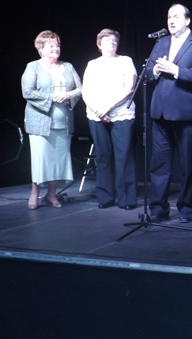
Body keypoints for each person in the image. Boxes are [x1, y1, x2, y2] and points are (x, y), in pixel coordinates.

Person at [146, 4, 192, 223]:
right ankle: (158, 208)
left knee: (187, 164)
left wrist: (176, 70)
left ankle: (186, 207)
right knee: (159, 165)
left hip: (187, 114)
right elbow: (147, 72)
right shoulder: (161, 42)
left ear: (187, 20)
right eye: (169, 17)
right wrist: (155, 70)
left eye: (176, 16)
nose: (171, 20)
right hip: (161, 113)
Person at [21, 30, 82, 210]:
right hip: (40, 122)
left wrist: (68, 95)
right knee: (40, 160)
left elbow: (80, 88)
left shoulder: (68, 66)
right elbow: (27, 92)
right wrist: (52, 97)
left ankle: (51, 194)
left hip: (63, 122)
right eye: (51, 45)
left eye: (57, 45)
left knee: (57, 160)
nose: (56, 48)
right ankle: (34, 193)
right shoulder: (33, 67)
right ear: (41, 49)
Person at [82, 29, 138, 210]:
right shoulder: (92, 64)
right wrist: (97, 109)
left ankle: (127, 199)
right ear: (99, 44)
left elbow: (130, 88)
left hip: (121, 113)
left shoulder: (126, 61)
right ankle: (105, 197)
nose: (112, 43)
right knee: (103, 156)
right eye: (107, 40)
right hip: (96, 114)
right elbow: (85, 90)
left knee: (124, 156)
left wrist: (108, 107)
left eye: (114, 40)